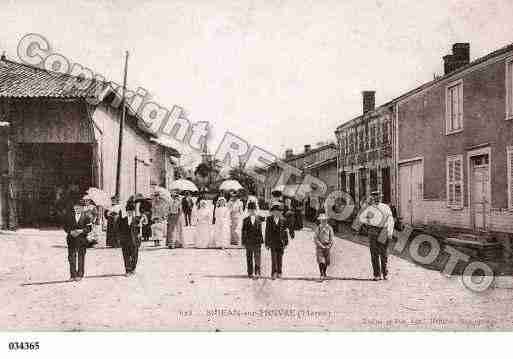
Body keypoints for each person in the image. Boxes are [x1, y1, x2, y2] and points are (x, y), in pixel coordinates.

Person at [356, 191, 395, 281]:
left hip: (384, 231)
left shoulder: (385, 207)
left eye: (378, 197)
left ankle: (385, 273)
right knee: (374, 253)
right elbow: (361, 218)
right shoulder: (369, 208)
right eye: (375, 197)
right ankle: (377, 274)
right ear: (372, 198)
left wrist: (390, 231)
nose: (377, 198)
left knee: (384, 253)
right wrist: (368, 222)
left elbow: (390, 220)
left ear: (381, 198)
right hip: (373, 231)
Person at [62, 194, 97, 281]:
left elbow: (89, 228)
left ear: (82, 208)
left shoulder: (86, 216)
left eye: (79, 207)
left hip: (82, 239)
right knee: (71, 257)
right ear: (73, 207)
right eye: (76, 207)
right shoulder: (69, 216)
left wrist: (81, 231)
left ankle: (80, 274)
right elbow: (65, 226)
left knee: (81, 256)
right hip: (71, 238)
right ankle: (72, 275)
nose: (77, 209)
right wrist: (70, 231)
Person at [264, 204, 289, 280]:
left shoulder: (283, 220)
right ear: (272, 212)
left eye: (278, 211)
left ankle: (279, 272)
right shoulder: (269, 219)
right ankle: (273, 273)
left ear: (280, 212)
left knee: (280, 258)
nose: (277, 213)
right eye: (275, 211)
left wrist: (286, 242)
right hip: (273, 242)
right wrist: (267, 243)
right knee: (274, 258)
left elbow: (285, 232)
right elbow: (267, 231)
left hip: (281, 242)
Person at [118, 200, 142, 276]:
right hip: (125, 241)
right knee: (126, 256)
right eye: (128, 211)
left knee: (134, 255)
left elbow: (140, 230)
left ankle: (133, 268)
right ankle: (128, 270)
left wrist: (139, 239)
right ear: (126, 211)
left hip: (134, 240)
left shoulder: (137, 220)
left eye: (131, 211)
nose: (129, 213)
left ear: (133, 212)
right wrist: (120, 239)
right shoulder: (122, 220)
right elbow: (118, 230)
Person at [242, 201, 263, 279]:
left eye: (254, 210)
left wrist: (261, 241)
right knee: (249, 257)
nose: (252, 211)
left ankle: (257, 271)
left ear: (256, 210)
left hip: (257, 242)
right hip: (248, 241)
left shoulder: (259, 219)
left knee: (257, 257)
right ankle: (250, 272)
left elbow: (260, 231)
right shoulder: (245, 220)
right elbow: (243, 231)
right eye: (250, 210)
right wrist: (244, 241)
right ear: (248, 211)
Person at [314, 213, 334, 281]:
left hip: (327, 245)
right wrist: (320, 245)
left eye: (325, 220)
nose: (323, 222)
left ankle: (324, 272)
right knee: (321, 260)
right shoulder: (318, 228)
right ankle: (321, 273)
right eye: (322, 220)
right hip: (320, 246)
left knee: (326, 261)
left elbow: (331, 238)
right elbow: (315, 238)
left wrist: (329, 245)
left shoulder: (329, 228)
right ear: (320, 221)